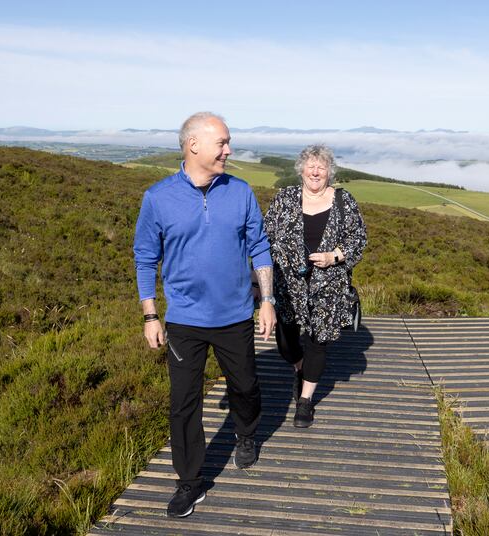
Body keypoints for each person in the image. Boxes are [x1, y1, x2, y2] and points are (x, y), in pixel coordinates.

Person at [133, 112, 276, 518]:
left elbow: (260, 247)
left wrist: (267, 300)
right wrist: (150, 315)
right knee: (184, 403)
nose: (229, 150)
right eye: (223, 143)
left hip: (234, 315)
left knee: (245, 388)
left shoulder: (241, 191)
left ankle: (245, 433)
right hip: (184, 320)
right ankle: (189, 482)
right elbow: (145, 258)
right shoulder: (158, 197)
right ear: (193, 145)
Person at [264, 144, 367, 428]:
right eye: (311, 165)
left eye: (321, 166)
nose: (315, 171)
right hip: (287, 285)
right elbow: (266, 236)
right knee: (286, 343)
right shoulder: (284, 198)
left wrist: (334, 256)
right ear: (301, 169)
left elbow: (358, 239)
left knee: (317, 342)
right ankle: (301, 369)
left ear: (329, 172)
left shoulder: (344, 201)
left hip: (329, 286)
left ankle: (305, 401)